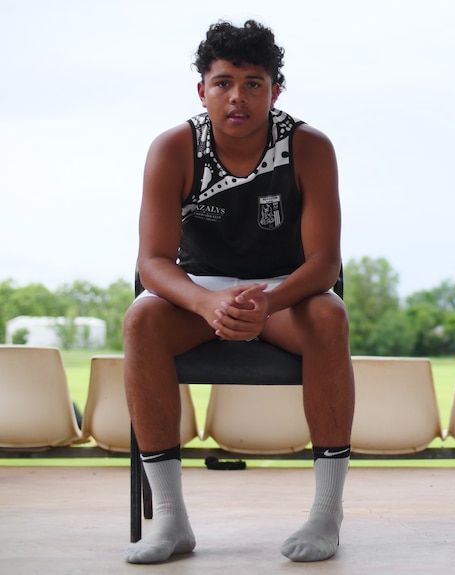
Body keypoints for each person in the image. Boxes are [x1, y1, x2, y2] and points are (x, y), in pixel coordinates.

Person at [123, 19, 354, 564]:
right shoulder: (175, 147)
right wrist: (205, 302)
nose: (237, 97)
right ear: (201, 89)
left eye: (254, 83)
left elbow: (324, 262)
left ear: (276, 90)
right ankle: (172, 522)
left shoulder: (309, 147)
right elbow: (152, 261)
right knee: (140, 321)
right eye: (223, 82)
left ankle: (327, 513)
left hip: (283, 294)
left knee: (330, 316)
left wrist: (267, 303)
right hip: (197, 292)